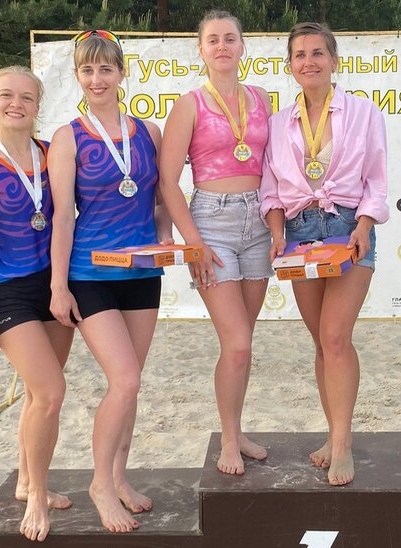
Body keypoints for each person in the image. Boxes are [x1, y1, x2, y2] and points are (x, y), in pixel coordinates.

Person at [48, 30, 168, 533]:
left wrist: (165, 239)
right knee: (125, 380)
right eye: (87, 70)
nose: (97, 79)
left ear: (121, 72)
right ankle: (100, 484)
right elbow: (62, 217)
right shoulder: (68, 137)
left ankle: (119, 477)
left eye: (105, 69)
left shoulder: (149, 132)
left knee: (130, 386)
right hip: (89, 273)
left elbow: (160, 200)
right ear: (78, 76)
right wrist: (58, 286)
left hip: (141, 272)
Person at [260, 22, 389, 486]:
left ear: (334, 60)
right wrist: (277, 233)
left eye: (317, 53)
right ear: (290, 65)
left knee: (335, 338)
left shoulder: (363, 112)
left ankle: (344, 443)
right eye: (300, 54)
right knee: (320, 342)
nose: (309, 61)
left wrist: (365, 226)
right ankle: (333, 435)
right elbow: (270, 187)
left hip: (348, 229)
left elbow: (377, 178)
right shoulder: (278, 122)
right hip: (299, 234)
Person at [0, 65, 74, 542]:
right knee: (50, 393)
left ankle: (26, 481)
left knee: (35, 393)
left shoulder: (53, 154)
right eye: (7, 95)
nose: (16, 104)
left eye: (27, 97)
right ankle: (38, 496)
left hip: (57, 285)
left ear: (37, 105)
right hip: (10, 290)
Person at [158, 10, 273, 476]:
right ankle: (228, 439)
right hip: (212, 223)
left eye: (230, 38)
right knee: (237, 343)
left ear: (243, 46)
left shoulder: (262, 99)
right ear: (201, 49)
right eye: (213, 40)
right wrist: (194, 242)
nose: (222, 46)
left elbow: (276, 165)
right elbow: (167, 182)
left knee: (243, 341)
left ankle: (237, 429)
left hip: (259, 221)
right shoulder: (189, 105)